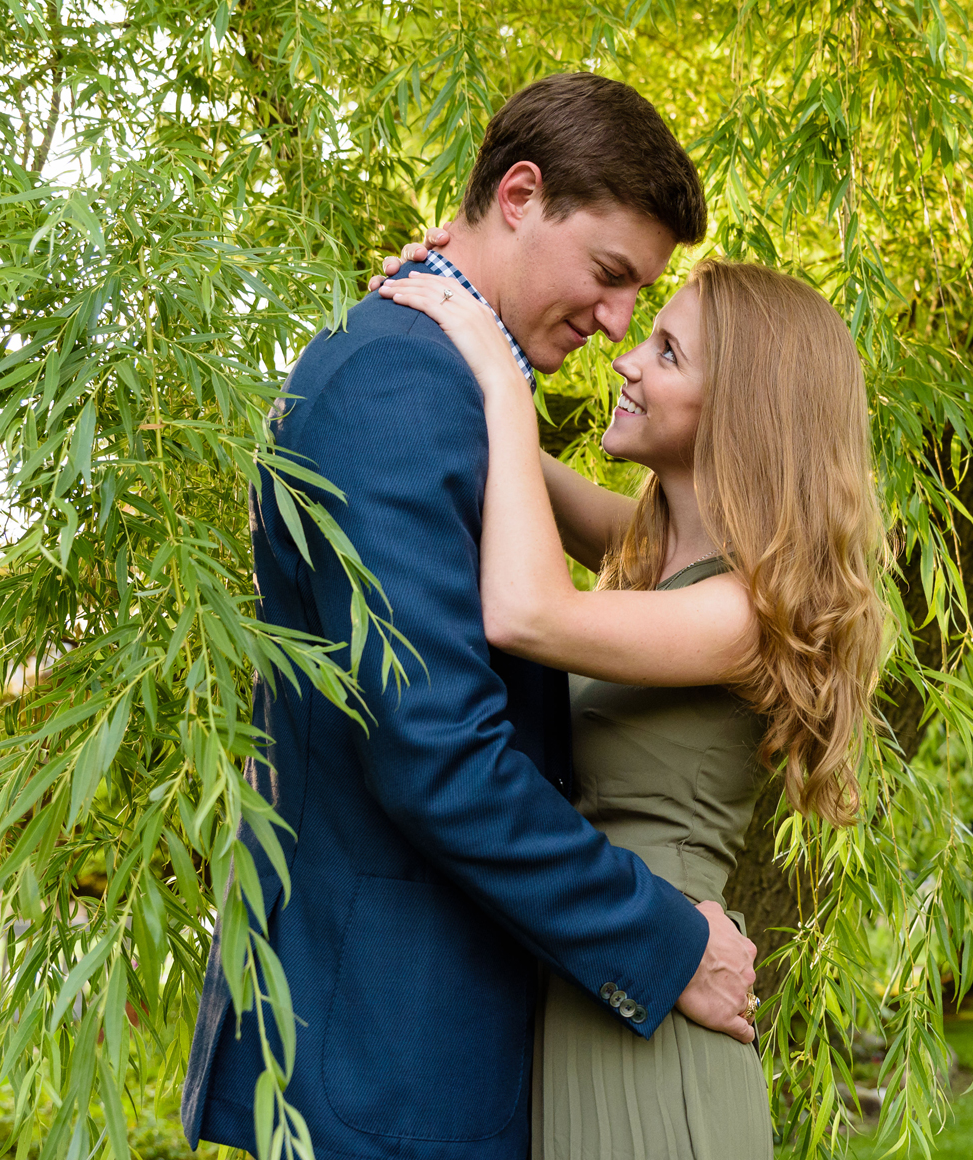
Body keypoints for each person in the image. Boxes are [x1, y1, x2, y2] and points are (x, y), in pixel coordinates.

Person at [181, 74, 760, 1160]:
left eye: (644, 302)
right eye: (608, 275)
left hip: (439, 1040)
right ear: (520, 195)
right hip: (386, 1055)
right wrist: (663, 942)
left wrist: (486, 362)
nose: (616, 323)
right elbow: (440, 752)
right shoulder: (398, 386)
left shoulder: (437, 375)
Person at [369, 241, 885, 1158]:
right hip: (611, 971)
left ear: (744, 415)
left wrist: (495, 367)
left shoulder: (737, 613)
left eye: (670, 353)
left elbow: (528, 610)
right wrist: (463, 292)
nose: (627, 360)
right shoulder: (656, 559)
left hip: (661, 1015)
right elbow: (508, 467)